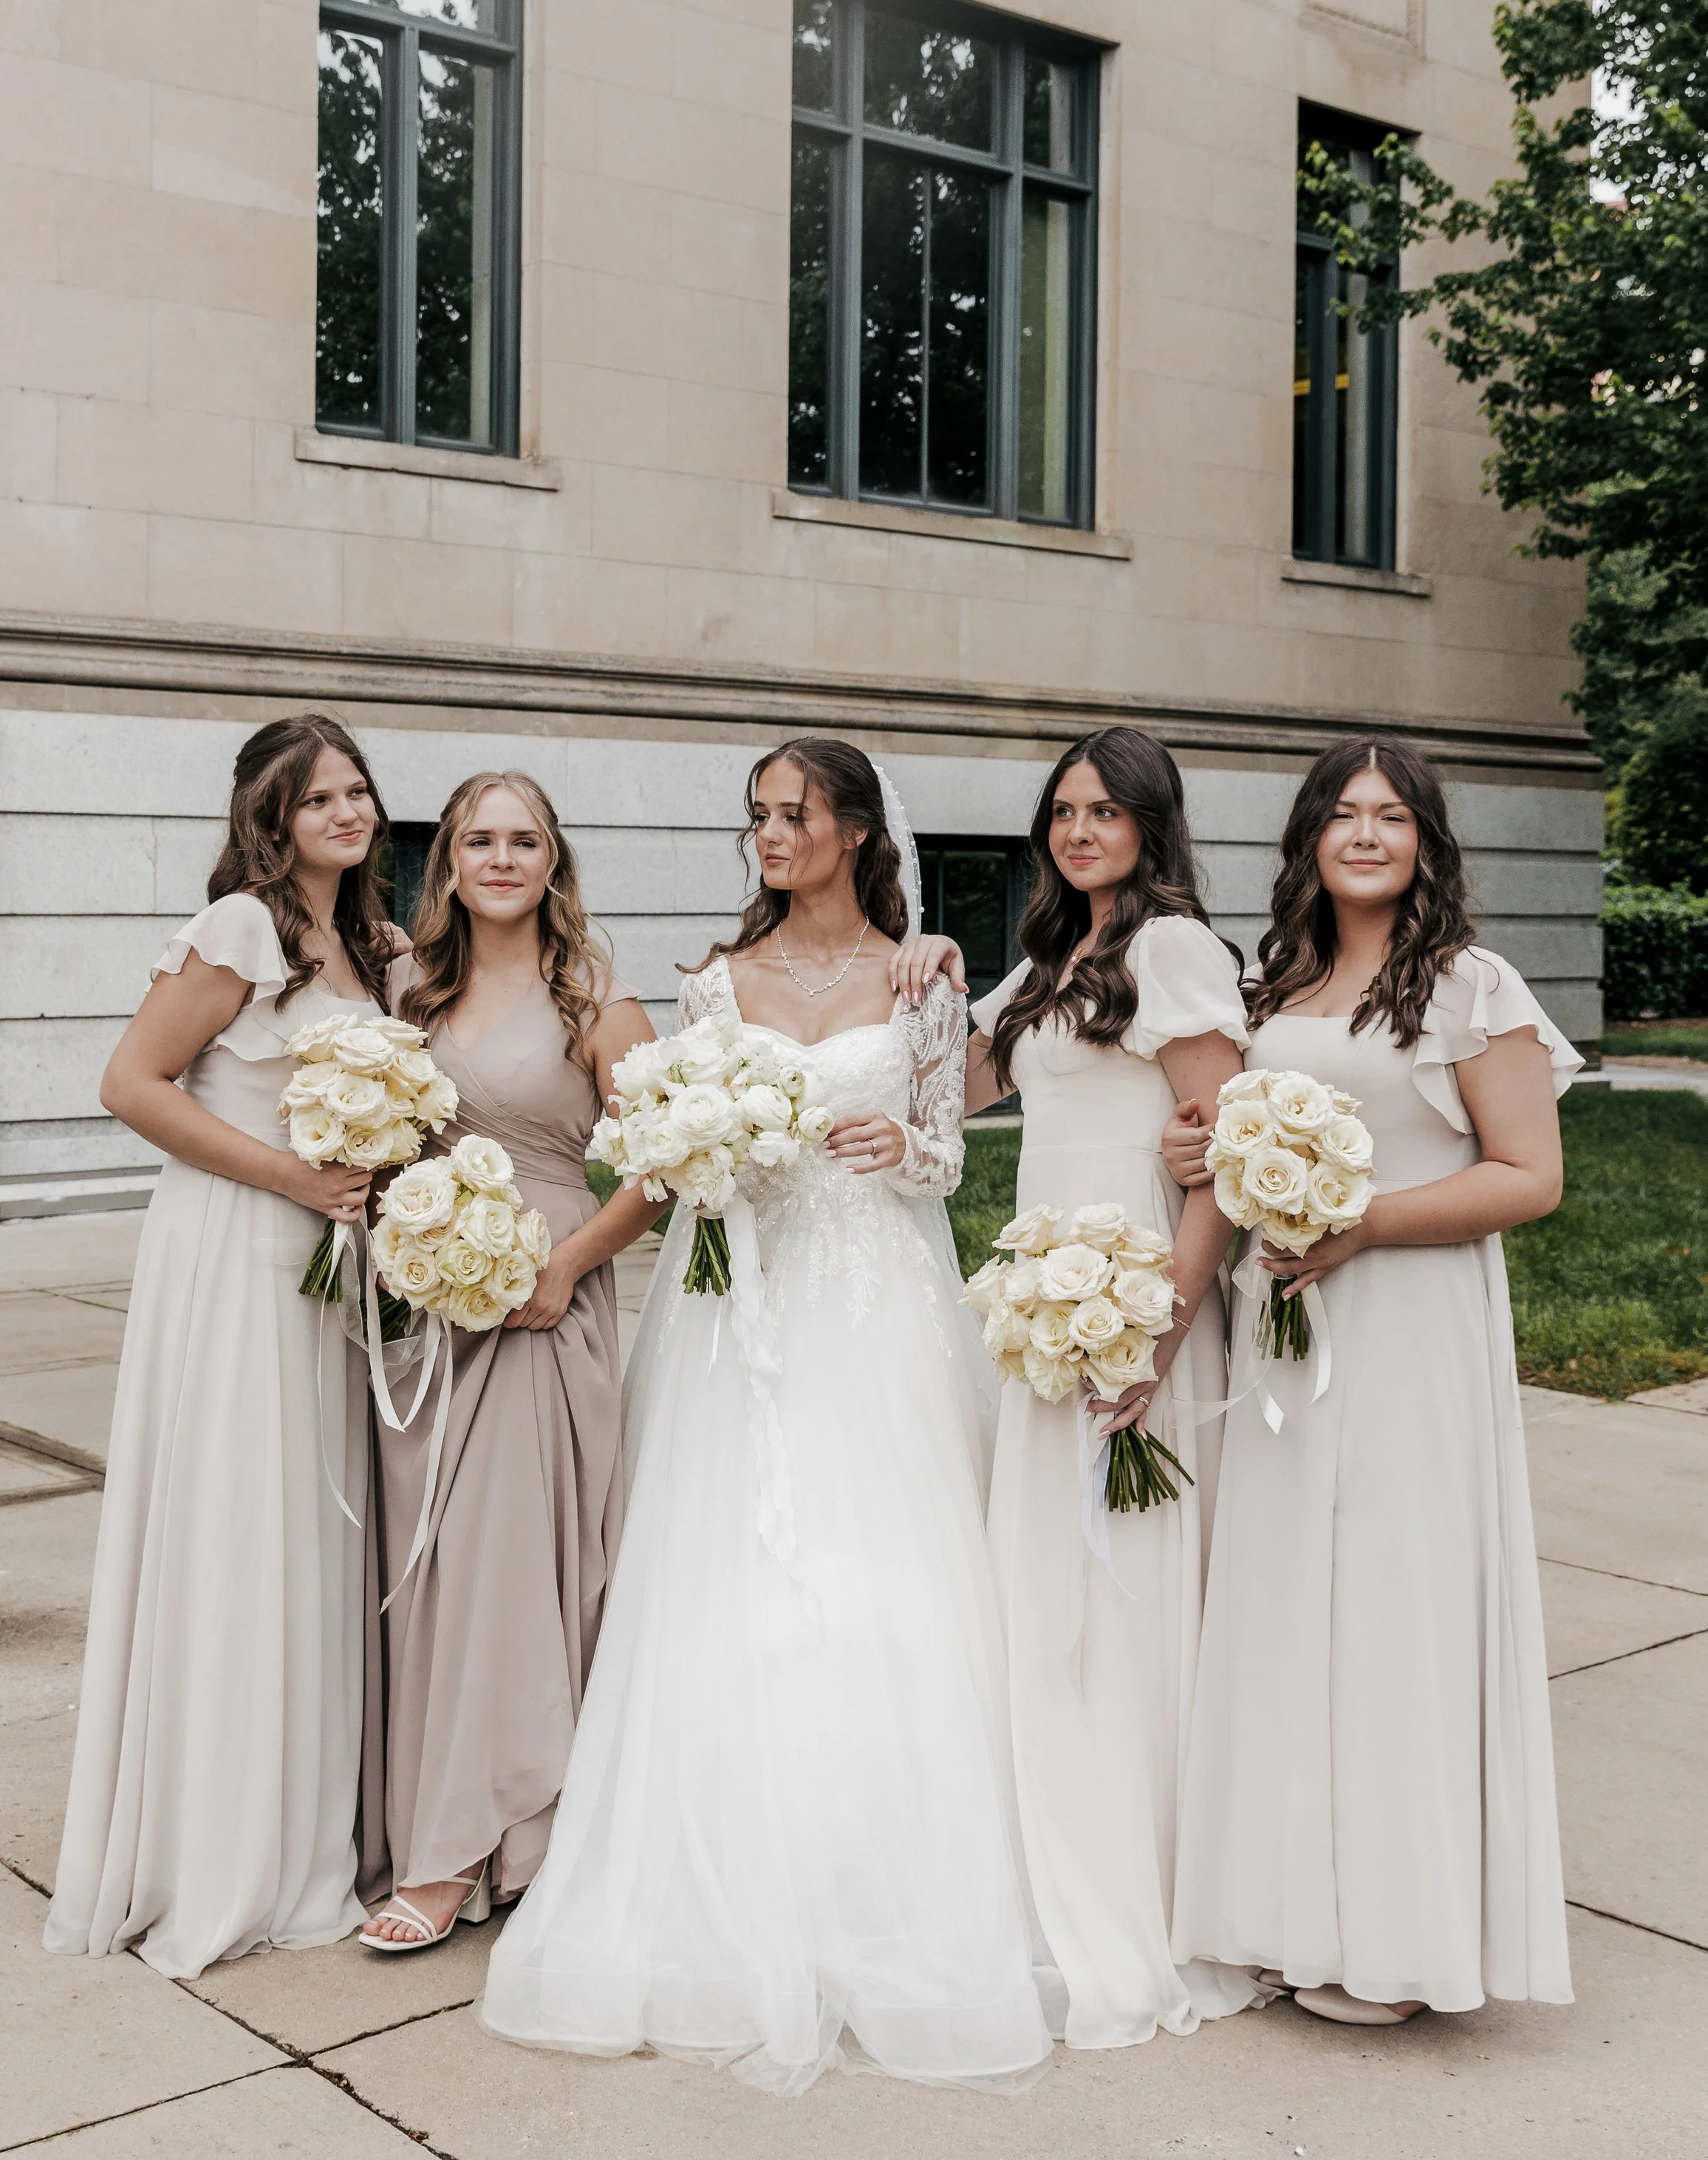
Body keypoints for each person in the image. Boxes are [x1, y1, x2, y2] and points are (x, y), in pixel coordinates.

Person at [480, 738, 1053, 2094]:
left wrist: (898, 1149)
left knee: (886, 1576)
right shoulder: (710, 984)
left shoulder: (922, 976)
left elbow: (949, 1152)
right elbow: (674, 1153)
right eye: (757, 818)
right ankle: (713, 1882)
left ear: (856, 830)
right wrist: (701, 1145)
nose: (771, 837)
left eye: (792, 815)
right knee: (720, 1570)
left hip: (871, 1301)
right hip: (736, 1307)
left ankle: (881, 1876)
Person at [1165, 735, 1575, 2025]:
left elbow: (1530, 1175)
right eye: (1342, 813)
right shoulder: (1275, 976)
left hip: (1407, 1331)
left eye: (1390, 816)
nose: (1364, 833)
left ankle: (1397, 1937)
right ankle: (1294, 1909)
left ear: (1424, 842)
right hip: (1285, 1327)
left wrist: (1364, 1225)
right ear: (1308, 838)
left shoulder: (1470, 982)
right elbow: (1228, 1131)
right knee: (1289, 1606)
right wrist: (1206, 1144)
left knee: (1394, 1610)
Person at [892, 730, 1259, 2048]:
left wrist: (1162, 1324)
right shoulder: (1054, 957)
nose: (1080, 829)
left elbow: (1222, 1155)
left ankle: (1142, 1880)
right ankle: (1046, 1845)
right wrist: (931, 966)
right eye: (1064, 809)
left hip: (1140, 1297)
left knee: (1125, 1589)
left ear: (1153, 823)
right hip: (1044, 1303)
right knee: (1047, 1581)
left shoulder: (1171, 950)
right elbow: (954, 1090)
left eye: (1106, 810)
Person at [45, 715, 405, 1978]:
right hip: (233, 1251)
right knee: (238, 1528)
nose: (350, 815)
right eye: (322, 800)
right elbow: (133, 1083)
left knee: (314, 1536)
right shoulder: (242, 928)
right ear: (273, 816)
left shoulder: (379, 943)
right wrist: (294, 1180)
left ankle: (306, 1832)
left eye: (359, 791)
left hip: (326, 1272)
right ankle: (213, 1851)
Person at [358, 772, 663, 1952]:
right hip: (431, 1308)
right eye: (477, 839)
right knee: (434, 1568)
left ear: (553, 858)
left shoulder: (596, 1000)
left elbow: (661, 1166)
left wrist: (569, 1263)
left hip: (546, 1305)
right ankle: (476, 1824)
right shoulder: (408, 988)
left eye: (522, 838)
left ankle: (464, 1853)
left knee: (506, 1563)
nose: (499, 856)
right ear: (447, 861)